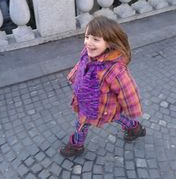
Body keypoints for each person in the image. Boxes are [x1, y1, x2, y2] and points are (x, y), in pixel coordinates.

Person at [60, 16, 146, 157]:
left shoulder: (114, 69)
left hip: (105, 107)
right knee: (117, 117)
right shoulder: (87, 53)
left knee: (83, 123)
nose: (88, 42)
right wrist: (73, 76)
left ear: (109, 43)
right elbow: (81, 65)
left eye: (95, 39)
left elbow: (127, 90)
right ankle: (134, 129)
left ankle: (76, 145)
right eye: (87, 37)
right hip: (88, 101)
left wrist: (133, 109)